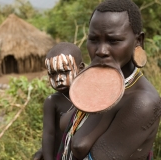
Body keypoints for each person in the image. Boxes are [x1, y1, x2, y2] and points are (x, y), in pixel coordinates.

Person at [57, 0, 161, 160]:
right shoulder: (95, 84)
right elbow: (65, 124)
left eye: (114, 41)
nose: (101, 51)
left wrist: (106, 101)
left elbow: (80, 146)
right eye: (94, 40)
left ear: (138, 41)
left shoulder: (143, 102)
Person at [33, 42, 85, 160]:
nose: (58, 79)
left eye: (65, 72)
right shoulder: (52, 102)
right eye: (52, 74)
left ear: (80, 68)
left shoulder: (88, 95)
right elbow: (48, 135)